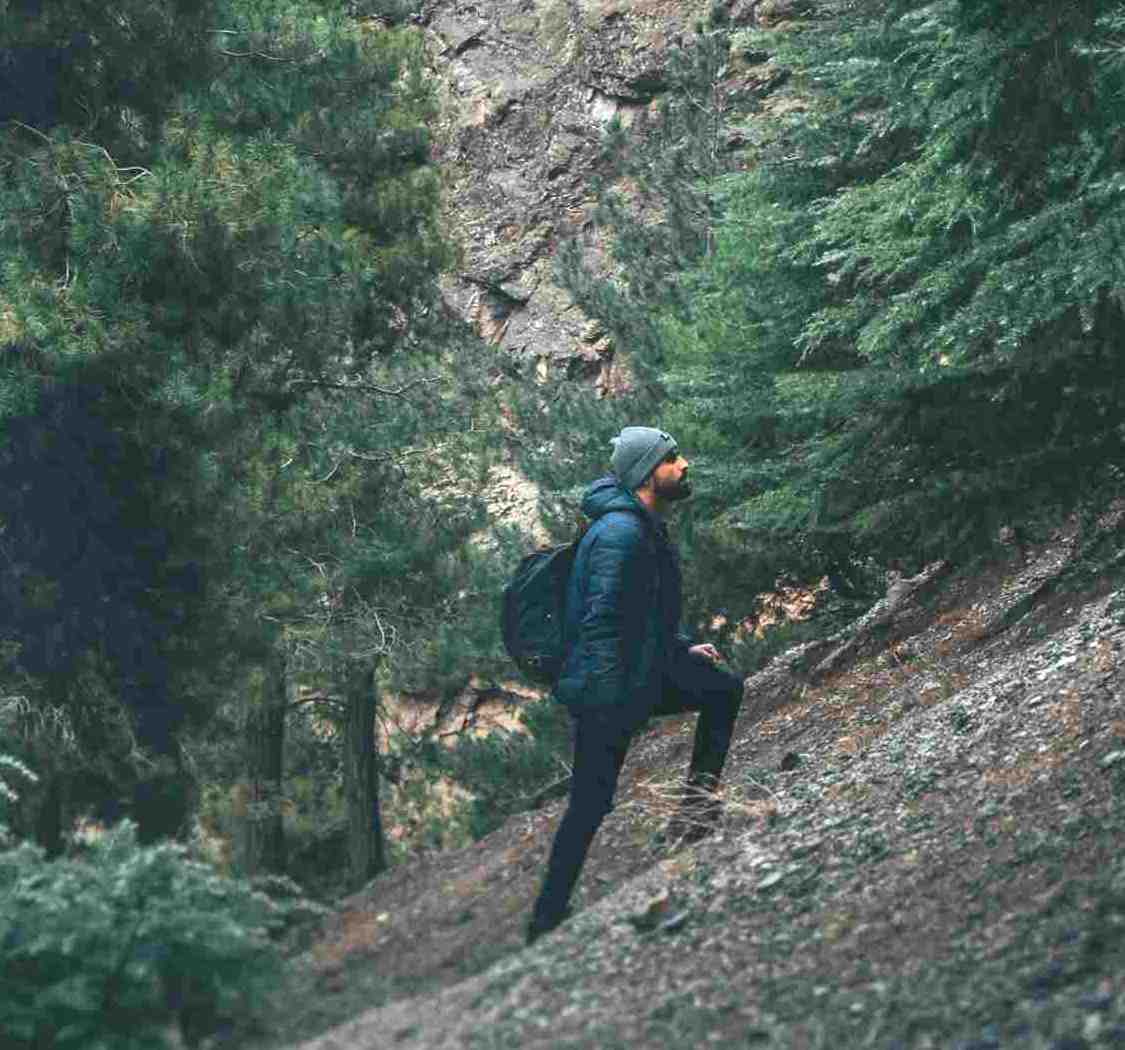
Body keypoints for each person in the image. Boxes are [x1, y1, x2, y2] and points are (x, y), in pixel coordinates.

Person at [526, 426, 745, 945]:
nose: (684, 464)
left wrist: (680, 649)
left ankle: (695, 810)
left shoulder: (641, 525)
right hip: (610, 687)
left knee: (722, 688)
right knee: (590, 804)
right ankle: (545, 922)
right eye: (673, 459)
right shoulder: (622, 533)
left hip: (636, 674)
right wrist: (612, 701)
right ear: (649, 473)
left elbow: (642, 615)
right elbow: (601, 621)